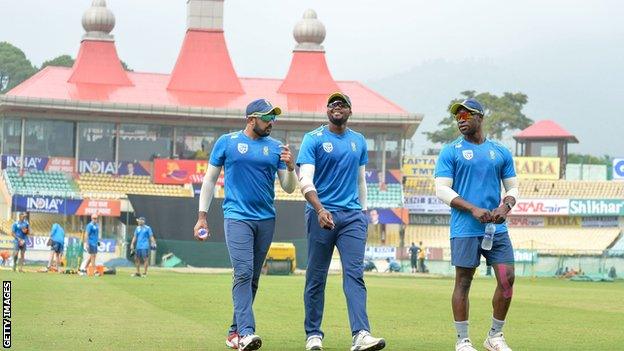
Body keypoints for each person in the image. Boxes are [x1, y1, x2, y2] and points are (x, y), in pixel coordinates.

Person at [193, 98, 297, 351]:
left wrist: (291, 168)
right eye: (267, 118)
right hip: (237, 216)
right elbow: (209, 181)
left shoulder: (275, 148)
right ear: (251, 119)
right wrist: (202, 216)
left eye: (274, 117)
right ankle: (247, 334)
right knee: (242, 272)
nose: (272, 122)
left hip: (266, 219)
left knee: (252, 278)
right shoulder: (227, 143)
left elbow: (289, 187)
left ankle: (233, 332)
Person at [297, 92, 385, 351]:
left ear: (349, 110)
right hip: (321, 214)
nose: (338, 107)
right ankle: (313, 334)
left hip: (352, 217)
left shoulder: (358, 141)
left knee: (355, 275)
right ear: (326, 110)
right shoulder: (312, 139)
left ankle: (361, 334)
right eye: (333, 104)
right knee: (316, 276)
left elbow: (360, 180)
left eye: (343, 104)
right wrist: (320, 209)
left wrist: (364, 212)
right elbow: (305, 180)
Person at [434, 98, 518, 351]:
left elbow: (513, 186)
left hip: (496, 229)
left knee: (508, 278)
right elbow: (441, 190)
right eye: (457, 116)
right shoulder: (451, 151)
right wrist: (472, 208)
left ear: (480, 117)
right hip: (465, 229)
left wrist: (506, 206)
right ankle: (462, 340)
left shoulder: (500, 151)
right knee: (463, 282)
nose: (460, 119)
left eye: (466, 115)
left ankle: (495, 336)